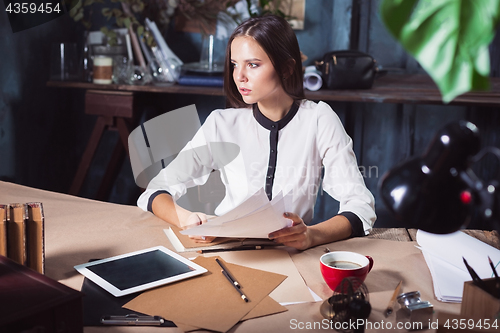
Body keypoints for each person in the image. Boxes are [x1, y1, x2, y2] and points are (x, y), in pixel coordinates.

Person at [137, 15, 376, 250]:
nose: (239, 76)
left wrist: (311, 236)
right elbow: (156, 190)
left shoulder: (319, 120)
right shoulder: (221, 124)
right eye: (234, 64)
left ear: (286, 68)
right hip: (226, 250)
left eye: (252, 64)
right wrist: (186, 219)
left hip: (293, 255)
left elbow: (360, 206)